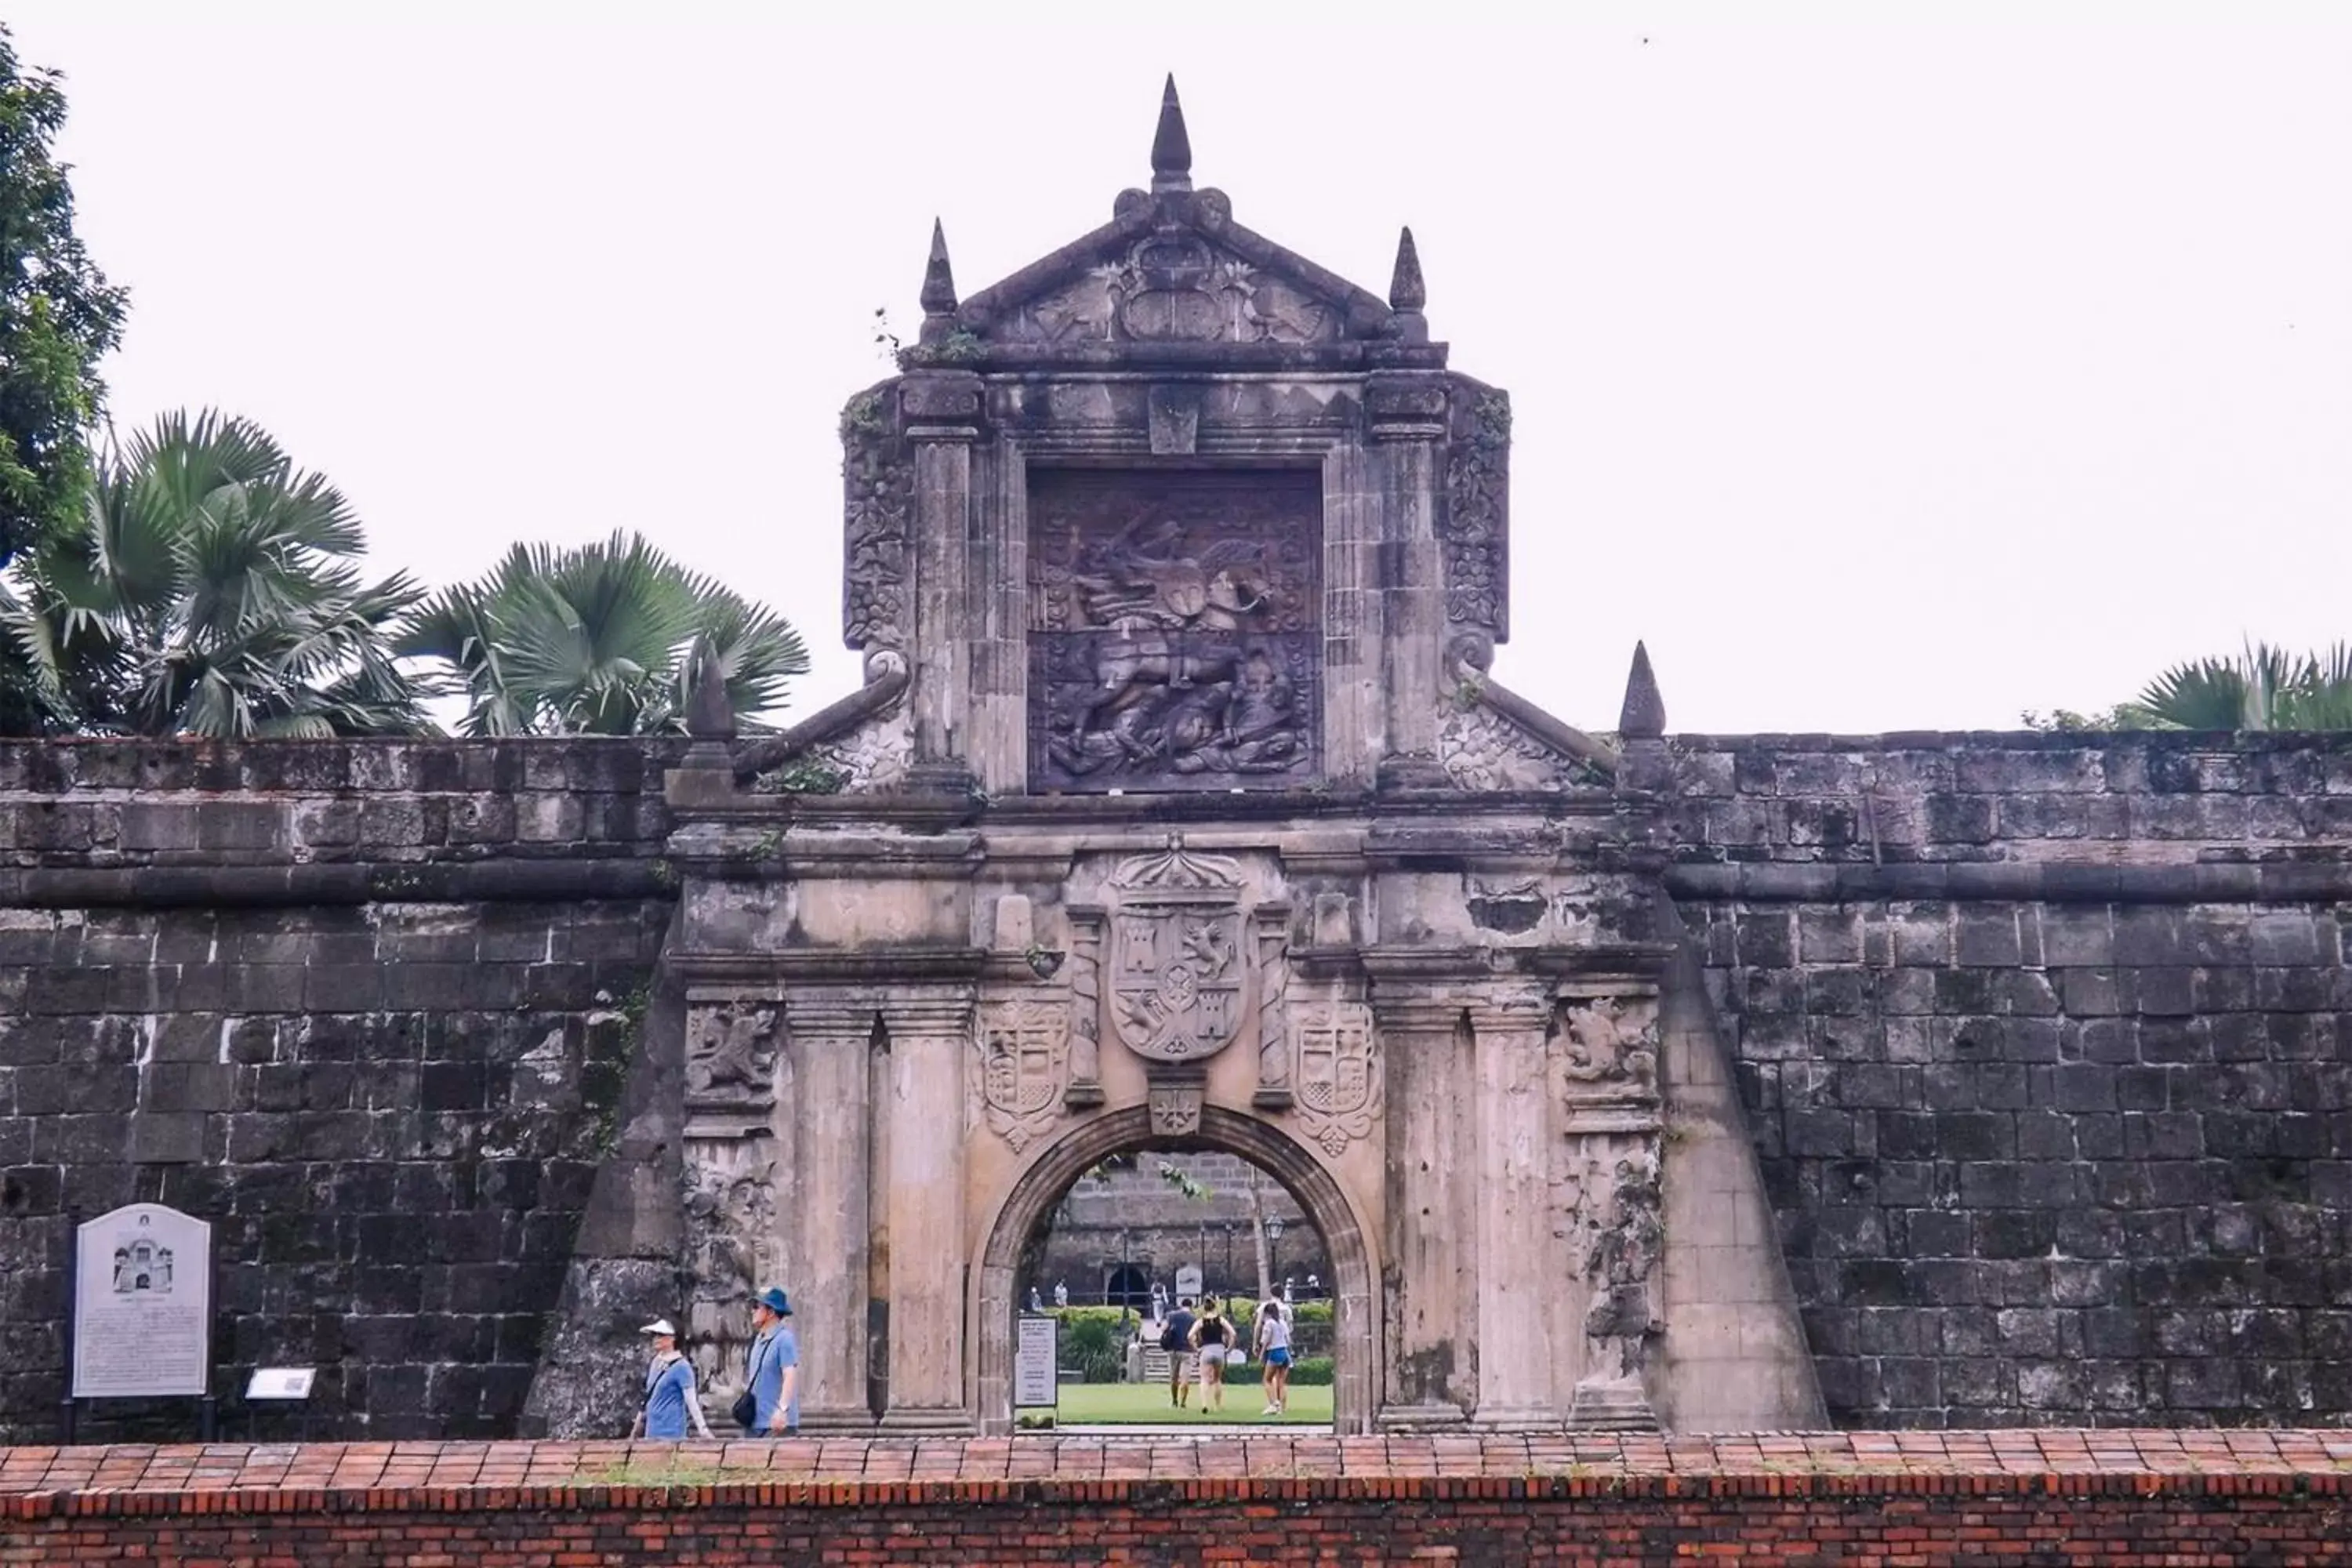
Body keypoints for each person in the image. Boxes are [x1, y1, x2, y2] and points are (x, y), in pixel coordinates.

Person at [631, 1318, 716, 1439]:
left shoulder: (682, 1367)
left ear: (673, 1338)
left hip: (672, 1432)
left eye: (661, 1335)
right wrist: (636, 1428)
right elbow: (648, 1396)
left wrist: (703, 1430)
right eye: (654, 1335)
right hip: (652, 1431)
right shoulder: (656, 1362)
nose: (656, 1339)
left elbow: (691, 1401)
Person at [743, 1286, 799, 1436]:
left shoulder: (784, 1339)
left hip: (776, 1424)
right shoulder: (759, 1340)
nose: (752, 1311)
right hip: (755, 1422)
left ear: (771, 1312)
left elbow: (789, 1375)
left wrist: (782, 1410)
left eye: (757, 1307)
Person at [1189, 1296, 1231, 1414]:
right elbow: (1233, 1333)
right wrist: (1229, 1348)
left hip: (1206, 1350)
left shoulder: (1201, 1321)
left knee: (1204, 1379)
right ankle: (1217, 1405)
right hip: (1219, 1349)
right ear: (1215, 1307)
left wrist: (1196, 1348)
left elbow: (1190, 1335)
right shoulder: (1220, 1320)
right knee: (1217, 1379)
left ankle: (1204, 1404)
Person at [1255, 1299, 1293, 1417]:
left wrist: (1261, 1354)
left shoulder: (1269, 1323)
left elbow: (1265, 1341)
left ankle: (1273, 1403)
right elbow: (1288, 1339)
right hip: (1284, 1351)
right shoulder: (1282, 1322)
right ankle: (1282, 1408)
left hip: (1274, 1351)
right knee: (1281, 1382)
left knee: (1266, 1380)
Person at [1161, 1295, 1199, 1409]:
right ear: (1191, 1307)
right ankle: (1183, 1402)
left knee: (1174, 1378)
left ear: (1181, 1306)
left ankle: (1174, 1401)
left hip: (1173, 1350)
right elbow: (1195, 1335)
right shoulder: (1193, 1318)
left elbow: (1163, 1329)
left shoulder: (1172, 1315)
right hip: (1187, 1350)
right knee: (1185, 1379)